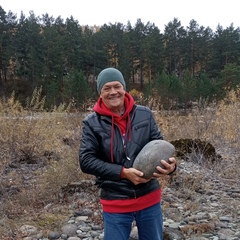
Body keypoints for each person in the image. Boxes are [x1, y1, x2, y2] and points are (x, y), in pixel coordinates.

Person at [79, 67, 177, 240]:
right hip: (115, 201)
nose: (113, 92)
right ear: (100, 93)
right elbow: (86, 161)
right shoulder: (91, 123)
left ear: (124, 88)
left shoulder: (144, 114)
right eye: (106, 88)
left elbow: (160, 146)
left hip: (149, 198)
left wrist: (171, 166)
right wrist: (123, 173)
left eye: (117, 86)